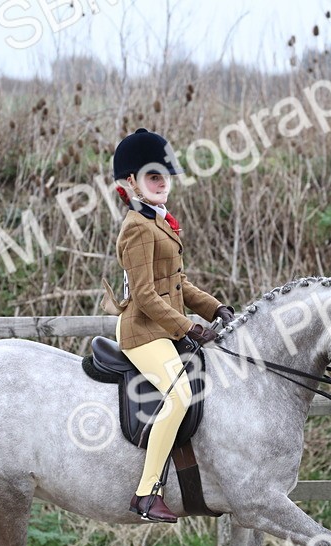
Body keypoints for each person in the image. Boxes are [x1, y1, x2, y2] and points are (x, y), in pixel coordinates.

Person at [110, 128, 235, 523]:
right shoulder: (137, 227)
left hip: (162, 326)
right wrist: (189, 328)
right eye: (152, 176)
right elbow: (146, 296)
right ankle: (147, 493)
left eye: (165, 175)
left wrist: (216, 309)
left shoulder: (160, 222)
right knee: (179, 394)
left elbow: (178, 284)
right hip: (141, 330)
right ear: (131, 183)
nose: (162, 182)